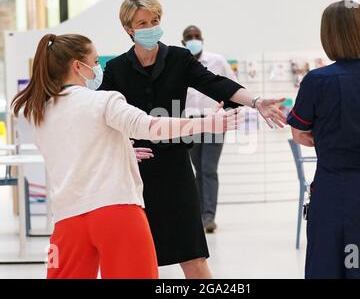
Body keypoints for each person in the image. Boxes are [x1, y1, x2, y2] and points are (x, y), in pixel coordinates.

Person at [11, 33, 240, 279]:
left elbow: (77, 147)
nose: (98, 68)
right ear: (78, 66)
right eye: (95, 61)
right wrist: (207, 123)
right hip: (117, 213)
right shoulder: (103, 101)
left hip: (68, 220)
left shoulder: (38, 113)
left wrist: (119, 147)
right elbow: (151, 127)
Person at [98, 0, 287, 279]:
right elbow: (102, 117)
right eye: (142, 23)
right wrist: (122, 149)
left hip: (176, 168)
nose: (150, 27)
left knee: (193, 256)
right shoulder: (116, 69)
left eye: (155, 21)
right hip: (134, 173)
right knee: (138, 262)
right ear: (128, 29)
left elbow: (216, 84)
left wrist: (256, 101)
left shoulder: (178, 58)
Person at [287, 1, 360, 279]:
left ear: (329, 36)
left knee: (329, 266)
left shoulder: (316, 81)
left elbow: (299, 132)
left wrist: (328, 136)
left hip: (333, 192)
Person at [182, 25, 238, 233]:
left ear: (203, 40)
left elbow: (233, 87)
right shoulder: (180, 65)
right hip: (190, 124)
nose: (194, 39)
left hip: (215, 122)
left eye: (197, 36)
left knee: (208, 168)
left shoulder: (217, 61)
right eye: (189, 37)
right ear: (183, 42)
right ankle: (198, 215)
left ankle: (209, 217)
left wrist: (230, 115)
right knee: (196, 170)